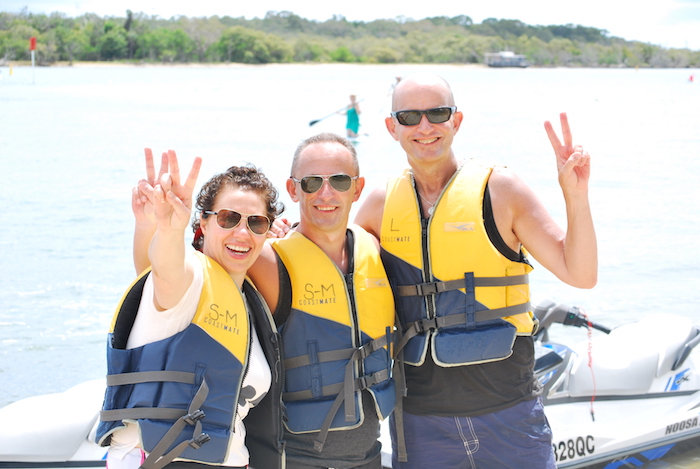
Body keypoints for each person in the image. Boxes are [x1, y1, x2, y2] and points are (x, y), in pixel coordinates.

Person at [354, 73, 597, 468]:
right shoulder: (380, 204)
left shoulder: (501, 189)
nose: (425, 126)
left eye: (437, 112)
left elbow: (580, 273)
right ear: (391, 127)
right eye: (410, 116)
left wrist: (576, 196)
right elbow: (327, 253)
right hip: (419, 423)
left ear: (457, 120)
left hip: (509, 416)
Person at [97, 151, 286, 469]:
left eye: (256, 222)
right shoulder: (189, 279)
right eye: (228, 218)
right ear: (204, 221)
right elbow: (165, 268)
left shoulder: (248, 304)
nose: (242, 232)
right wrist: (169, 230)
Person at [247, 132, 396, 469]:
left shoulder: (374, 248)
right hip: (293, 458)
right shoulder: (267, 261)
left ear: (357, 189)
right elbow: (180, 283)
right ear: (293, 189)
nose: (325, 193)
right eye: (312, 182)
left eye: (340, 181)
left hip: (367, 456)